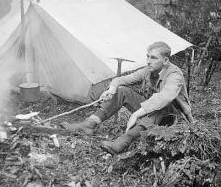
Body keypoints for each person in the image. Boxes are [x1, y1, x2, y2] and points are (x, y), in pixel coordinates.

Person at [61, 41, 193, 154]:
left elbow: (164, 98)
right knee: (122, 91)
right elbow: (122, 80)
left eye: (153, 58)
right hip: (152, 113)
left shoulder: (175, 75)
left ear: (165, 60)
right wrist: (111, 90)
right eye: (147, 57)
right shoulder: (149, 70)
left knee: (161, 106)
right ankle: (89, 124)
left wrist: (136, 114)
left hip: (174, 120)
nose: (148, 61)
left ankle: (124, 141)